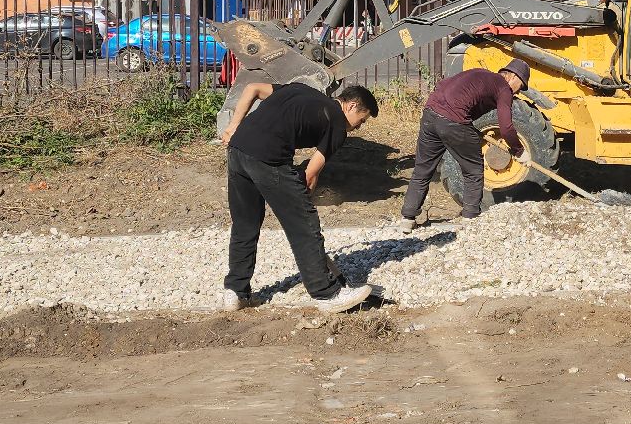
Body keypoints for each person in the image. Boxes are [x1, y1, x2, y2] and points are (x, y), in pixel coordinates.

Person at [219, 81, 380, 314]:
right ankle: (326, 293)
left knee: (245, 224)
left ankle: (235, 292)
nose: (358, 127)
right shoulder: (337, 123)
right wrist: (301, 201)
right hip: (268, 158)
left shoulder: (299, 89)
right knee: (304, 226)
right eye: (362, 120)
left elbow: (252, 87)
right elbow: (310, 174)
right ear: (351, 105)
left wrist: (233, 126)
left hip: (237, 150)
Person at [399, 60, 531, 230]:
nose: (518, 92)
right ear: (513, 76)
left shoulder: (480, 74)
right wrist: (519, 151)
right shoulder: (504, 88)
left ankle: (407, 219)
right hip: (453, 121)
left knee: (422, 168)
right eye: (521, 86)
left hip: (430, 114)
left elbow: (447, 86)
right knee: (473, 170)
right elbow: (506, 128)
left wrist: (465, 125)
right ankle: (470, 218)